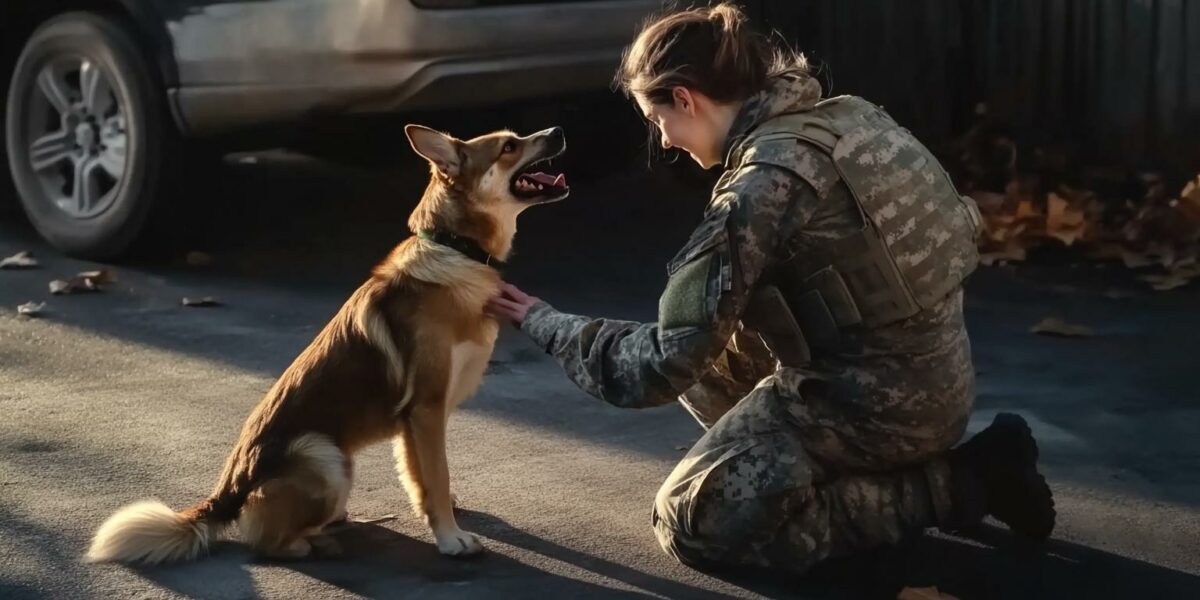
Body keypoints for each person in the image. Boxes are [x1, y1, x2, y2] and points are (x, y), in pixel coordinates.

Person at [487, 4, 1055, 598]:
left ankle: (961, 485)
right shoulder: (850, 119)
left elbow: (656, 367)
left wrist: (544, 321)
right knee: (711, 362)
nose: (664, 140)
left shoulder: (762, 186)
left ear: (687, 99)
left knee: (691, 520)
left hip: (874, 411)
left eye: (657, 119)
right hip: (937, 382)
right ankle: (851, 473)